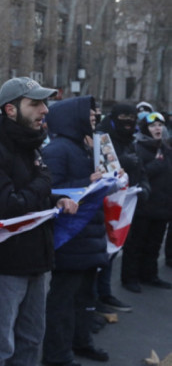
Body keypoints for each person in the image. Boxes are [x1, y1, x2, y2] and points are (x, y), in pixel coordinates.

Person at [0, 77, 78, 365]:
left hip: (38, 259)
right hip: (6, 265)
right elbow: (9, 206)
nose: (44, 110)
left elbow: (30, 190)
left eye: (44, 103)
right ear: (10, 110)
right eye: (35, 104)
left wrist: (55, 198)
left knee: (31, 341)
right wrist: (45, 183)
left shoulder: (30, 143)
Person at [41, 96, 110, 365]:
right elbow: (50, 191)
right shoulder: (58, 149)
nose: (94, 117)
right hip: (71, 237)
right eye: (89, 114)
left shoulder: (83, 146)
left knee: (85, 298)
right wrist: (87, 180)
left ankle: (81, 342)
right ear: (74, 118)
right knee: (63, 301)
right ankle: (56, 355)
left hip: (88, 235)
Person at [95, 103, 150, 313]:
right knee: (102, 251)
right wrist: (121, 162)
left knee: (113, 249)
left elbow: (141, 168)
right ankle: (94, 298)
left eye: (132, 117)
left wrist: (145, 185)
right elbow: (102, 170)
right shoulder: (103, 138)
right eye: (124, 117)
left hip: (125, 203)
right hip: (106, 204)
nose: (128, 121)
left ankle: (105, 293)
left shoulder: (131, 141)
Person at [120, 112, 172, 292]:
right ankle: (130, 278)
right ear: (145, 129)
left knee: (154, 244)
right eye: (153, 125)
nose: (157, 128)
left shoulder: (166, 149)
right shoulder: (137, 148)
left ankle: (150, 275)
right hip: (143, 206)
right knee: (135, 244)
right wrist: (155, 166)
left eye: (160, 125)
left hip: (163, 206)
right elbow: (136, 175)